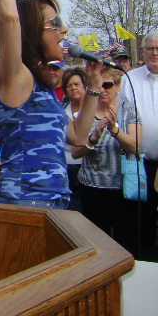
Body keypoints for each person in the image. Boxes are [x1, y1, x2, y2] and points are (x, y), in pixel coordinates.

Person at [0, 0, 103, 209]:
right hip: (25, 202)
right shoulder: (16, 77)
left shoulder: (42, 85)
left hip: (55, 201)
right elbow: (9, 19)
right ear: (30, 31)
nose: (64, 30)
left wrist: (93, 87)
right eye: (54, 24)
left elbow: (77, 137)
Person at [71, 68, 141, 256]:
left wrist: (115, 130)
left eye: (108, 85)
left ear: (118, 87)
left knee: (127, 244)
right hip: (92, 189)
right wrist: (93, 138)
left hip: (122, 189)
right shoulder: (85, 112)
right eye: (98, 85)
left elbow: (136, 147)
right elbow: (75, 152)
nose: (102, 90)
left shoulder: (128, 110)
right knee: (97, 247)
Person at [120, 31, 158, 255]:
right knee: (142, 220)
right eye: (150, 48)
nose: (155, 53)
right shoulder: (130, 79)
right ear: (142, 52)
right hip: (140, 164)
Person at [61, 67, 87, 211]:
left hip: (87, 166)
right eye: (69, 86)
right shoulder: (62, 109)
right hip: (66, 167)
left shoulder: (92, 109)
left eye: (76, 84)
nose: (73, 88)